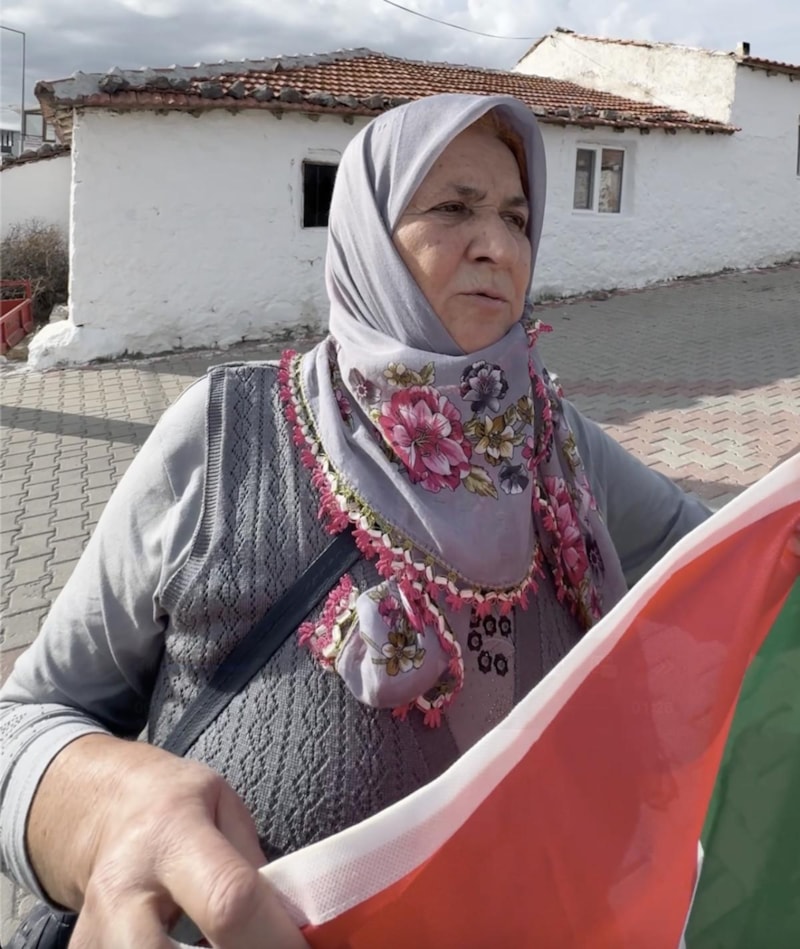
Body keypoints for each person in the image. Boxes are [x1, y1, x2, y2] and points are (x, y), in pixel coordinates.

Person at [1, 93, 715, 947]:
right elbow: (25, 722)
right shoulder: (227, 438)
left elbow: (726, 560)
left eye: (517, 218)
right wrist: (104, 813)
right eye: (453, 208)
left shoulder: (558, 446)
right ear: (369, 236)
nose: (498, 246)